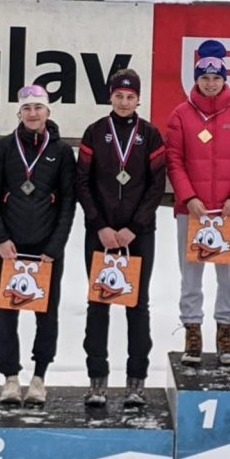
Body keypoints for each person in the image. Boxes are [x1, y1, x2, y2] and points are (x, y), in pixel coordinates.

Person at [0, 85, 76, 407]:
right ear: (19, 113)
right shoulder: (4, 148)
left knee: (46, 314)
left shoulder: (61, 152)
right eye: (27, 108)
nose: (33, 113)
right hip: (9, 248)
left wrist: (55, 246)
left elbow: (68, 203)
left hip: (46, 249)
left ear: (48, 111)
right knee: (6, 313)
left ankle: (39, 378)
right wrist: (0, 239)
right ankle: (10, 378)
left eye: (38, 107)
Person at [76, 68, 165, 408]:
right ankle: (97, 380)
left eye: (130, 97)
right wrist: (100, 225)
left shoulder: (150, 135)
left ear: (138, 99)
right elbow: (82, 182)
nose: (124, 102)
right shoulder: (95, 132)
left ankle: (136, 382)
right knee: (98, 303)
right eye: (119, 96)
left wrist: (134, 228)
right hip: (100, 234)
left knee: (137, 305)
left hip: (137, 235)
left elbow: (157, 185)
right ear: (110, 97)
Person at [165, 39, 230, 366]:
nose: (211, 83)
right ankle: (192, 333)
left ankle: (225, 334)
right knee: (190, 273)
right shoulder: (180, 115)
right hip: (192, 211)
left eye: (216, 78)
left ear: (225, 79)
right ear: (196, 79)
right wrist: (188, 197)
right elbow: (174, 161)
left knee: (228, 275)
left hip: (229, 211)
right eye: (204, 77)